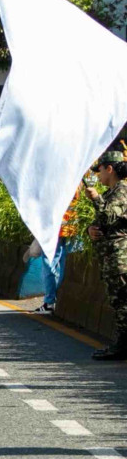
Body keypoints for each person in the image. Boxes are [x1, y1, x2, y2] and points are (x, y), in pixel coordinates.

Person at [86, 151, 127, 360]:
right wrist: (90, 230)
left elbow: (109, 215)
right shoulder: (113, 192)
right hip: (112, 257)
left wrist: (96, 198)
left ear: (109, 169)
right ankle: (121, 345)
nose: (98, 175)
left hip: (120, 258)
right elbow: (102, 223)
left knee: (122, 302)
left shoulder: (122, 191)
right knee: (119, 301)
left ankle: (121, 347)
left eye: (100, 170)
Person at [35, 191, 80, 315]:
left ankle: (50, 302)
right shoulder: (76, 179)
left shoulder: (56, 180)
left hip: (55, 229)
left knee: (49, 263)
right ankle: (57, 301)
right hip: (72, 229)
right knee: (64, 267)